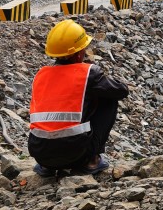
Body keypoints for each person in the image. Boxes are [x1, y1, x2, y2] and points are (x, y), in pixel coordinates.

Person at [28, 19, 130, 177]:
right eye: (84, 48)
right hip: (76, 154)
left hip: (40, 154)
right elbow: (121, 91)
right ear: (77, 53)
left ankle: (48, 168)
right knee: (108, 99)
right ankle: (92, 160)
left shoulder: (41, 75)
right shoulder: (88, 74)